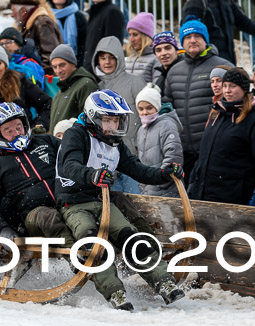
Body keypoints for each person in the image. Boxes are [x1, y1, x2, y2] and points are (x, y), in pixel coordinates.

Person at [56, 89, 185, 310]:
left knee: (129, 235)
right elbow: (69, 166)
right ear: (94, 117)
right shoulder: (75, 134)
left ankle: (164, 283)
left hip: (103, 201)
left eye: (116, 121)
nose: (113, 126)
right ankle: (114, 292)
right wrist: (92, 175)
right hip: (73, 203)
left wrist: (164, 174)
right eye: (107, 120)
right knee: (92, 240)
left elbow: (138, 169)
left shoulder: (114, 143)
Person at [0, 102, 75, 247]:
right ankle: (77, 255)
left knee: (114, 199)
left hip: (66, 201)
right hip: (32, 216)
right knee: (48, 216)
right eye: (8, 131)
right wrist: (1, 228)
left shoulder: (46, 141)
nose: (17, 133)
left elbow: (73, 156)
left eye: (18, 127)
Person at [188, 68, 255, 205]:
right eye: (225, 86)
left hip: (234, 195)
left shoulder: (254, 120)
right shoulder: (216, 114)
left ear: (244, 89)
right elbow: (204, 155)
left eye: (232, 86)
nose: (227, 91)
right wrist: (193, 182)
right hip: (204, 192)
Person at [164, 19, 232, 181]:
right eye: (187, 37)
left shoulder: (223, 67)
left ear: (205, 40)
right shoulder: (174, 71)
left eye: (197, 36)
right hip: (183, 150)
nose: (192, 40)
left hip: (213, 148)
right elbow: (167, 105)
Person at [0, 43, 52, 132]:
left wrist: (39, 125)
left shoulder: (20, 82)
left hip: (24, 138)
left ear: (5, 65)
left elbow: (47, 103)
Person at [91, 36, 145, 155]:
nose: (107, 62)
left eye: (111, 58)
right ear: (97, 60)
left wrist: (138, 144)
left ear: (119, 59)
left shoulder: (135, 82)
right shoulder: (97, 88)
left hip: (135, 152)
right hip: (107, 154)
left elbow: (147, 116)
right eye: (103, 58)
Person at [182, 0, 255, 65]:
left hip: (228, 58)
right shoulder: (195, 4)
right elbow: (189, 33)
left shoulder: (227, 2)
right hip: (207, 60)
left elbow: (243, 22)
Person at [135, 84, 183, 197]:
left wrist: (161, 179)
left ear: (157, 107)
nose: (145, 112)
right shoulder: (141, 129)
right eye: (141, 109)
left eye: (149, 108)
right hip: (147, 188)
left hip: (165, 189)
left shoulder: (167, 125)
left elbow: (173, 156)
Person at [48, 44, 98, 133]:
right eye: (54, 67)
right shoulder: (59, 93)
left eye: (62, 65)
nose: (58, 71)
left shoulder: (85, 85)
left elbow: (91, 123)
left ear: (73, 64)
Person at [9, 0, 62, 75]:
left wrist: (36, 76)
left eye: (13, 10)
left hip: (42, 81)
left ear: (23, 11)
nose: (12, 15)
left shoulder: (43, 24)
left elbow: (51, 58)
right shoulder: (27, 25)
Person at [82, 0, 124, 73]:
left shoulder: (112, 12)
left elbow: (112, 49)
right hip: (90, 72)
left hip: (101, 76)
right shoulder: (92, 13)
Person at [48, 0, 87, 68]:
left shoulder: (79, 17)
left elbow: (84, 46)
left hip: (75, 67)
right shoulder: (46, 17)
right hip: (52, 68)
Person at [124, 12, 156, 83]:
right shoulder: (128, 59)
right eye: (130, 35)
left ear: (146, 37)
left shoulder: (155, 60)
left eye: (135, 35)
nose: (131, 39)